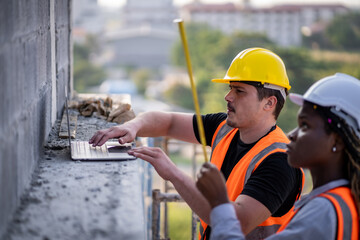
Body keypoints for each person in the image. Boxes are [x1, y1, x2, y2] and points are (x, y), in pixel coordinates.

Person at [89, 48, 304, 239]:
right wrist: (133, 127)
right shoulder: (224, 128)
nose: (228, 96)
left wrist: (174, 174)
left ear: (269, 102)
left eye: (239, 91)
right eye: (230, 88)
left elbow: (236, 222)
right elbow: (169, 122)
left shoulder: (280, 162)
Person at [196, 73, 360, 240]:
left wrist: (220, 203)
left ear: (337, 140)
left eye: (305, 126)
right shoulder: (342, 201)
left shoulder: (324, 211)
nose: (292, 134)